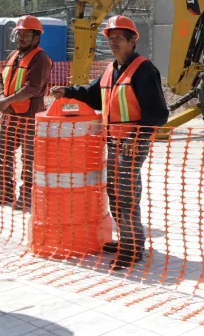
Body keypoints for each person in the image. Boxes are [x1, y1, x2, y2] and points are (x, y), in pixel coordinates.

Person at [51, 15, 168, 271]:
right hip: (113, 142)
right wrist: (68, 91)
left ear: (132, 40)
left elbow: (159, 113)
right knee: (114, 192)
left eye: (119, 39)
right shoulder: (110, 69)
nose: (114, 43)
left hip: (132, 143)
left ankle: (132, 248)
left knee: (125, 194)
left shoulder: (144, 70)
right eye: (111, 39)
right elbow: (92, 95)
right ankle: (128, 239)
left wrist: (135, 136)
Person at [0, 16, 52, 211]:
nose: (20, 38)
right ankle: (4, 193)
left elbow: (33, 88)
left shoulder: (41, 59)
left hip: (30, 117)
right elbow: (0, 78)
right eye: (19, 34)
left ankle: (27, 197)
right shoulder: (13, 55)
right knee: (3, 153)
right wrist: (1, 96)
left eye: (25, 35)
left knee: (29, 159)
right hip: (10, 116)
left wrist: (6, 101)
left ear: (36, 37)